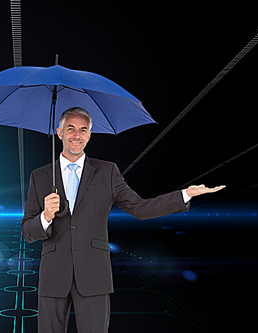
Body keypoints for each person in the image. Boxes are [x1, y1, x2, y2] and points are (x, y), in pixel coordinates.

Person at [21, 107, 225, 333]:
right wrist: (45, 216)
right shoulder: (39, 176)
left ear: (90, 134)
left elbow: (140, 208)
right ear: (59, 132)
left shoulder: (107, 171)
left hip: (94, 276)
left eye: (83, 129)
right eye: (71, 129)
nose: (76, 135)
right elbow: (27, 231)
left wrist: (184, 194)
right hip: (53, 277)